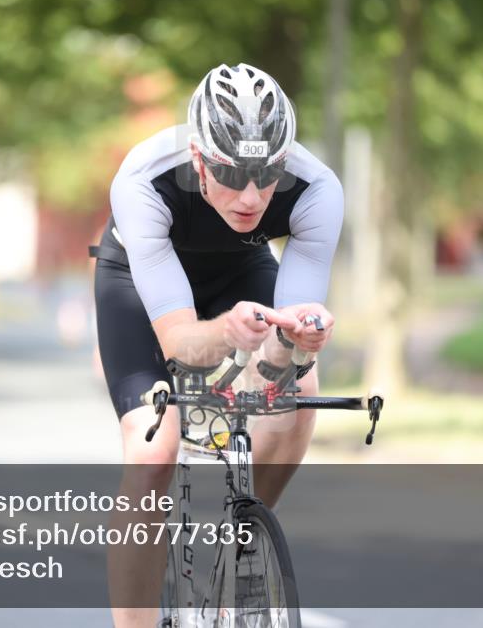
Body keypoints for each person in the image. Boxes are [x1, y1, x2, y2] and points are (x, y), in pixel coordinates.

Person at [90, 62, 344, 628]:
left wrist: (293, 343)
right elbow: (179, 343)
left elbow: (286, 350)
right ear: (200, 159)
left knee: (299, 392)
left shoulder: (317, 189)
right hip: (139, 278)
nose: (252, 196)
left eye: (268, 174)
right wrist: (228, 332)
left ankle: (243, 542)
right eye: (232, 175)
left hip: (241, 267)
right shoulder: (143, 179)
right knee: (154, 449)